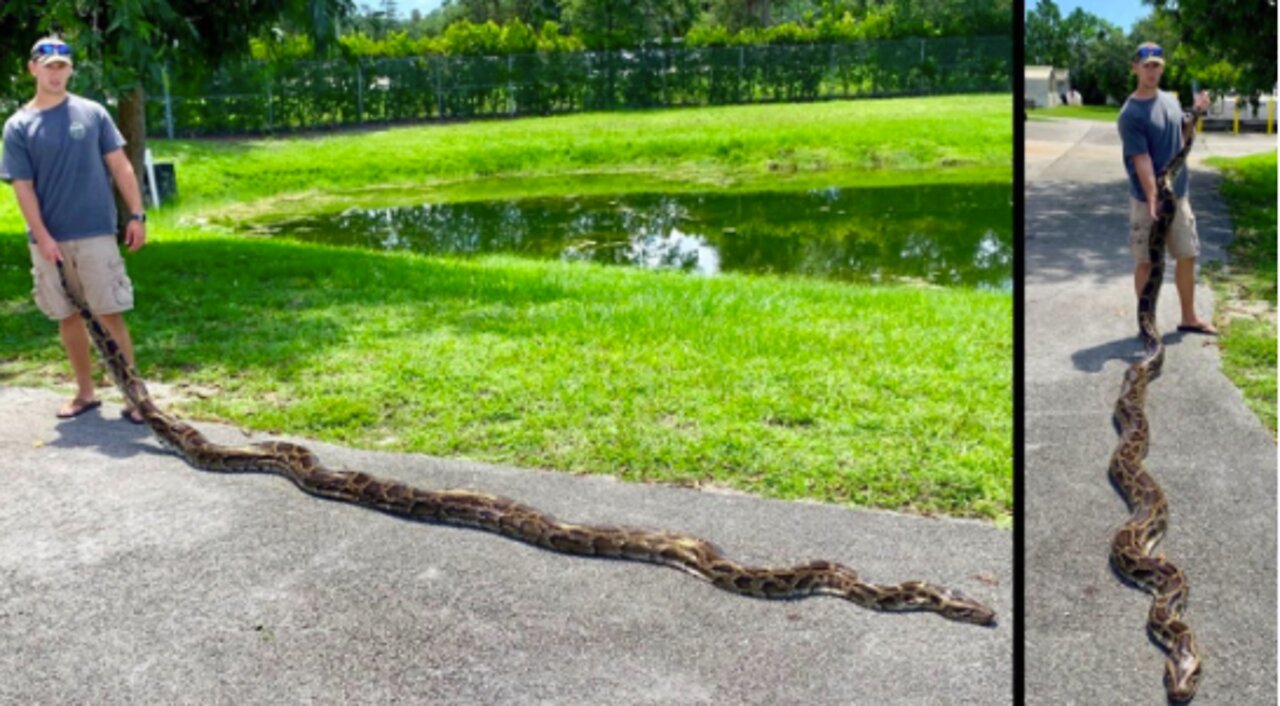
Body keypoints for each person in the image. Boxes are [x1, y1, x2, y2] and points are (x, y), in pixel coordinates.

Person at [1, 36, 150, 421]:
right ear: (33, 68)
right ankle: (85, 393)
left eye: (62, 67)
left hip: (96, 234)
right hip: (48, 240)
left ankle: (135, 395)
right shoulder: (18, 126)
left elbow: (121, 166)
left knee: (108, 312)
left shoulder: (93, 113)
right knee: (67, 317)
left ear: (70, 70)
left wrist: (136, 214)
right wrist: (45, 238)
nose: (56, 74)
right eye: (48, 67)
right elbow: (24, 189)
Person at [1117, 41, 1216, 335]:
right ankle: (1148, 325)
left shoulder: (1170, 101)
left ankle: (1189, 317)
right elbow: (1141, 159)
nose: (1152, 71)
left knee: (1187, 254)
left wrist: (1195, 114)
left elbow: (1182, 134)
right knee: (1147, 262)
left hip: (1178, 194)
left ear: (1162, 68)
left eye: (1156, 66)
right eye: (1146, 66)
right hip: (1147, 201)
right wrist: (1152, 197)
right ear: (1136, 68)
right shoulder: (1130, 113)